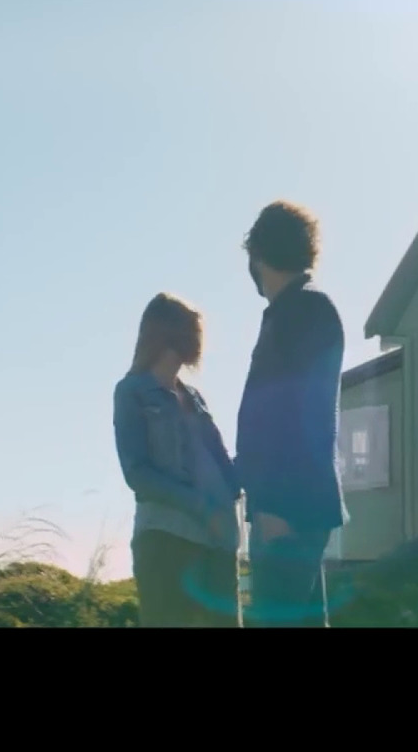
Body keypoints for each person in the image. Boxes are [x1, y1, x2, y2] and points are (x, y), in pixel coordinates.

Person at [237, 201, 347, 627]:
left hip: (288, 505)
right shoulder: (301, 309)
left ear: (259, 254)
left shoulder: (302, 310)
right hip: (296, 502)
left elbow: (293, 416)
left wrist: (275, 504)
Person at [113, 293, 242, 627]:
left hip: (217, 542)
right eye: (190, 331)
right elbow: (137, 474)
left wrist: (237, 486)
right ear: (167, 334)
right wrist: (199, 505)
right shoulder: (132, 392)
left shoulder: (194, 397)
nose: (197, 343)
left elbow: (220, 459)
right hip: (166, 541)